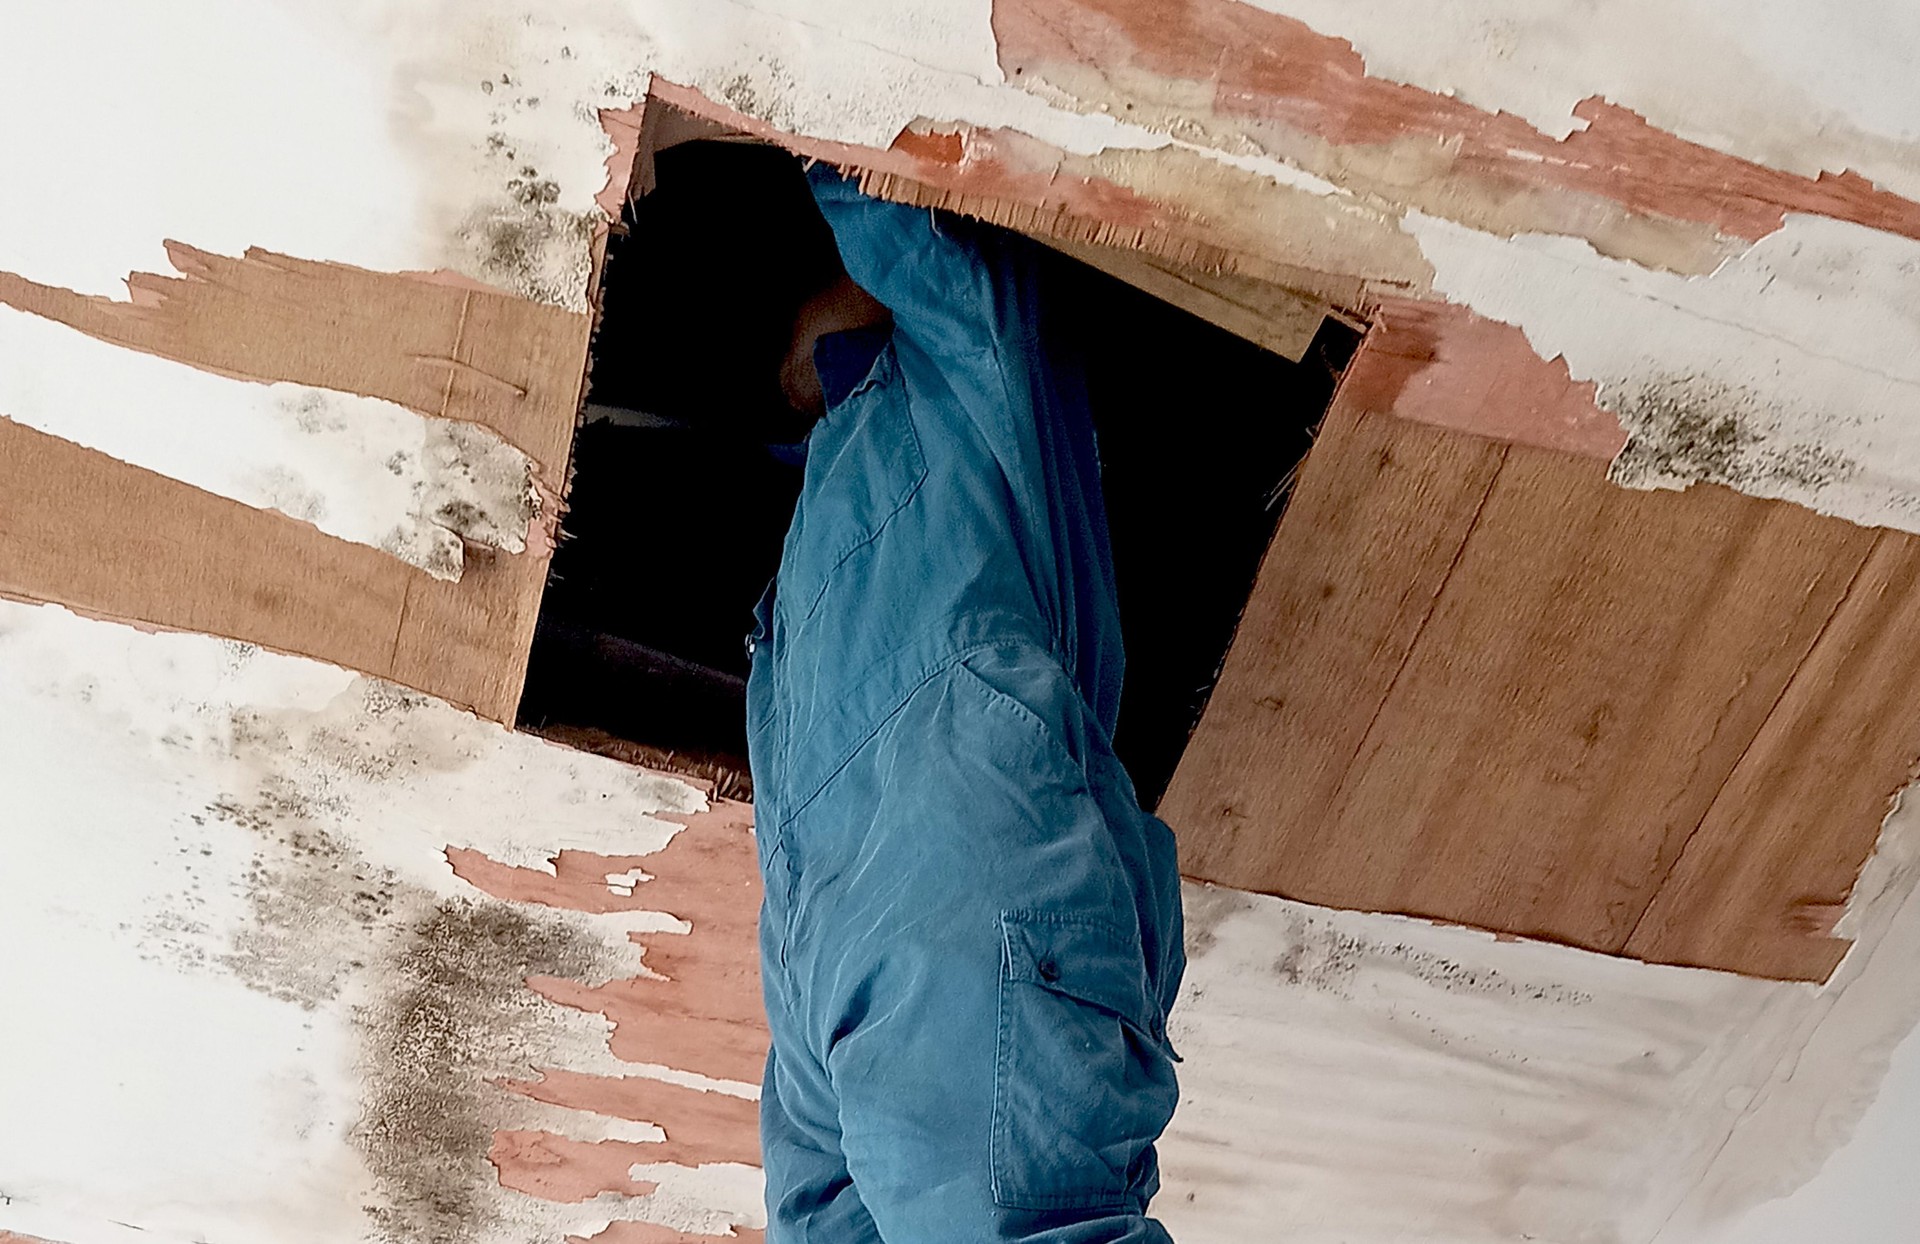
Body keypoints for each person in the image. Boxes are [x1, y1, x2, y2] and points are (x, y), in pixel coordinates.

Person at [639, 142, 1185, 1242]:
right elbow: (911, 204)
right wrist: (806, 129)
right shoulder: (966, 372)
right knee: (1021, 1221)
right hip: (956, 889)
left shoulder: (821, 501)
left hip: (829, 939)